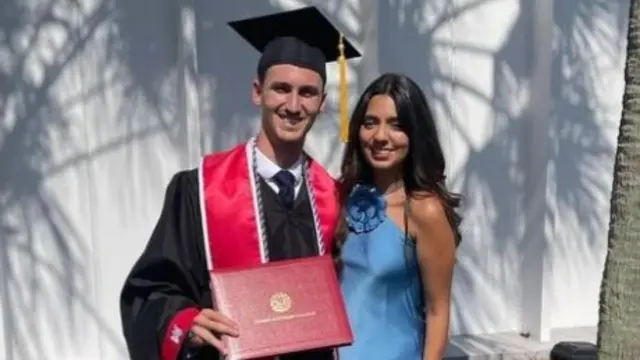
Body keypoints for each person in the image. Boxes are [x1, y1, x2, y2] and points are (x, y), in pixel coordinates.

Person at [119, 7, 360, 360]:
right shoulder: (199, 192)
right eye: (281, 89)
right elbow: (149, 289)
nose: (293, 105)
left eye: (307, 93)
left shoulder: (335, 198)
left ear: (322, 103)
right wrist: (186, 322)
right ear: (257, 92)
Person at [333, 73, 463, 360]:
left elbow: (438, 311)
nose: (380, 136)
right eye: (370, 123)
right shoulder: (340, 198)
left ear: (415, 133)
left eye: (396, 125)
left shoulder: (424, 211)